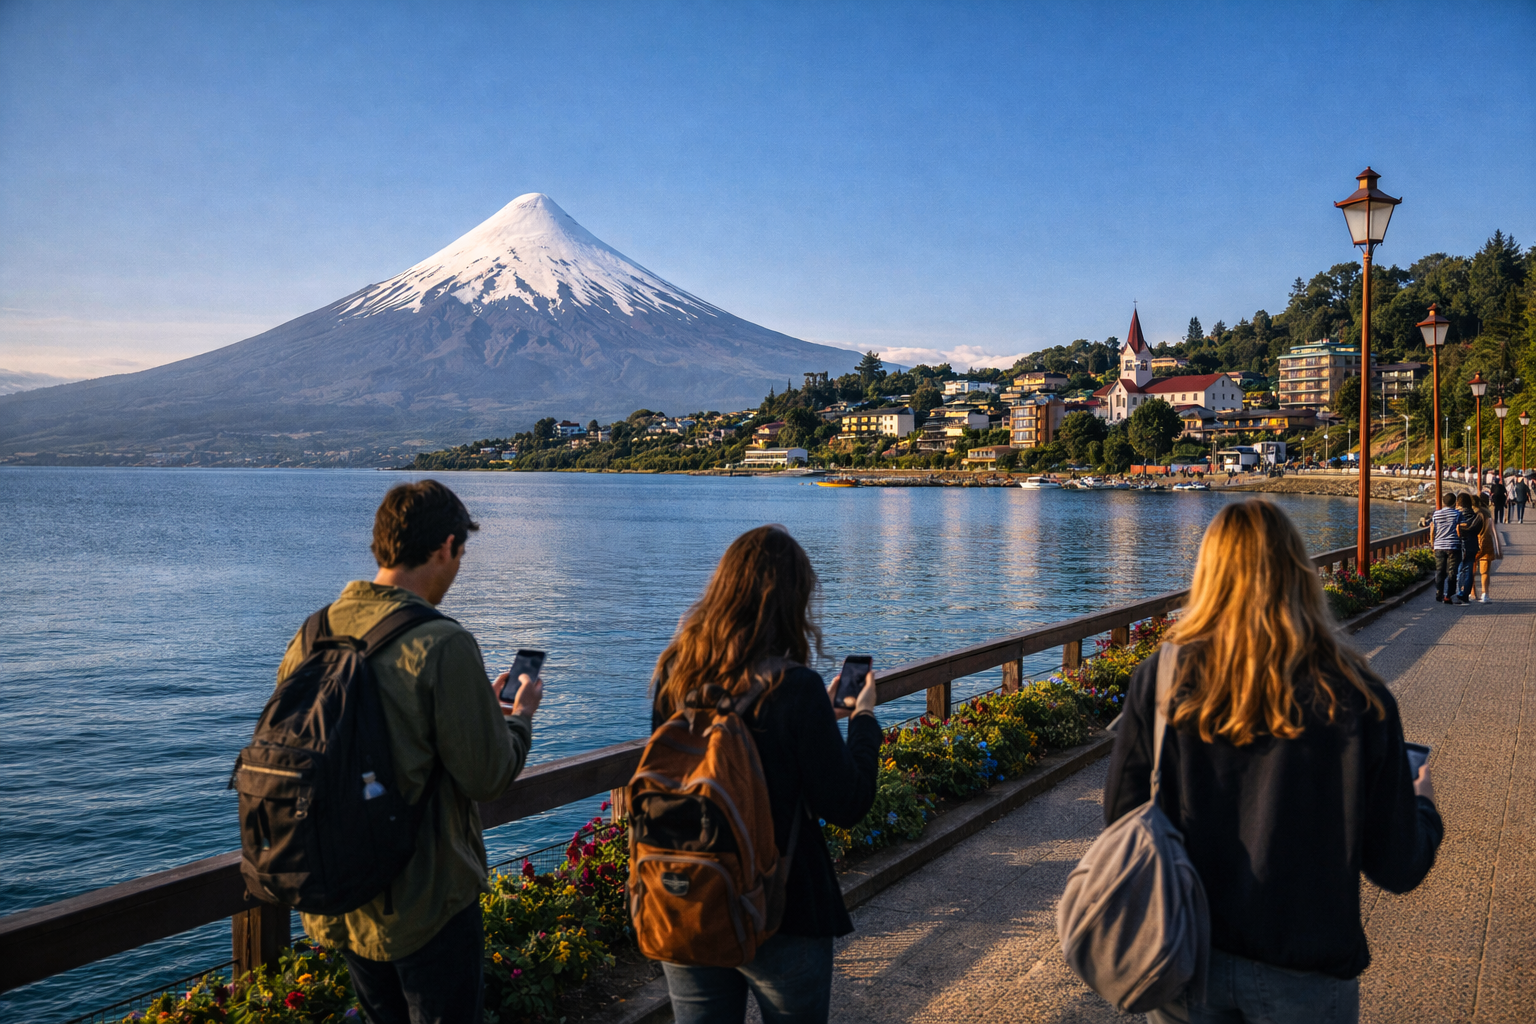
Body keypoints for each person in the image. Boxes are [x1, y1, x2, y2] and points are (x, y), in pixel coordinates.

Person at [1105, 500, 1442, 1024]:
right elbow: (1397, 867)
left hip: (1185, 953)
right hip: (1305, 964)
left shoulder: (1163, 677)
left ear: (1208, 574)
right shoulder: (1357, 696)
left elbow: (1122, 817)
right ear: (1299, 573)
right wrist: (1423, 804)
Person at [280, 480, 542, 1024]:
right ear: (446, 546)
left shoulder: (312, 632)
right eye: (461, 555)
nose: (458, 568)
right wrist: (518, 720)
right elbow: (488, 776)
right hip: (426, 901)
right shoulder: (441, 642)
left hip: (341, 888)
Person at [649, 525, 880, 1023]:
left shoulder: (675, 674)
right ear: (793, 601)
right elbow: (847, 803)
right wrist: (862, 720)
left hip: (690, 893)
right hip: (783, 903)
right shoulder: (795, 688)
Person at [1430, 492, 1463, 604]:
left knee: (1440, 571)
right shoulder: (1457, 514)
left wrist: (1432, 542)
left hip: (1439, 545)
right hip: (1453, 545)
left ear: (1443, 502)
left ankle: (1439, 592)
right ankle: (1448, 595)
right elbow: (1461, 528)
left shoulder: (1436, 514)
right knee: (1452, 571)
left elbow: (1433, 528)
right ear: (1455, 502)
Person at [1455, 493, 1482, 604]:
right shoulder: (1476, 516)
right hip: (1473, 544)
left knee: (1460, 569)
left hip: (1461, 544)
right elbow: (1478, 530)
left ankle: (1460, 592)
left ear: (1458, 503)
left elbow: (1454, 529)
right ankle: (1466, 594)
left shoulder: (1457, 515)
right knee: (1469, 569)